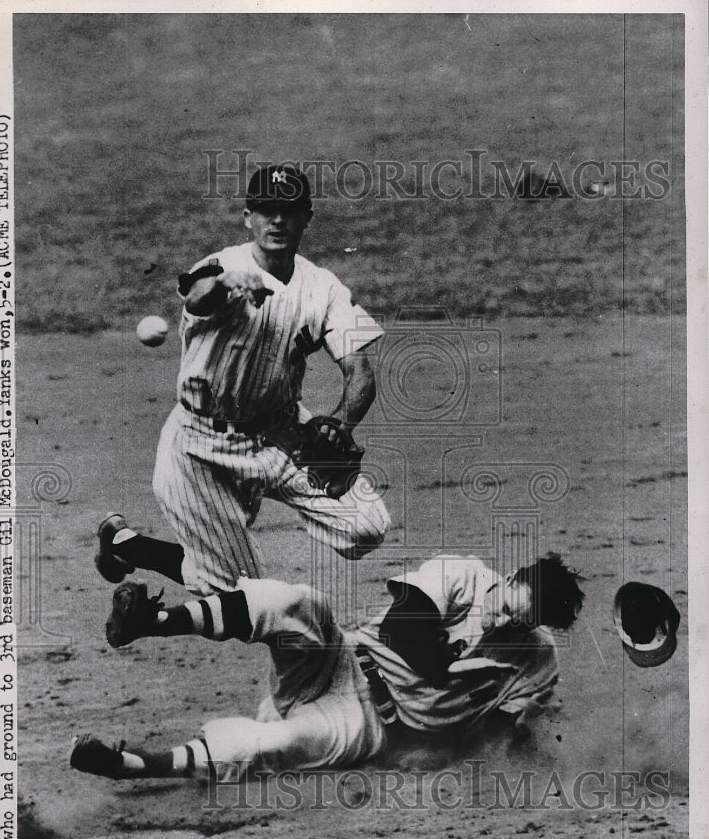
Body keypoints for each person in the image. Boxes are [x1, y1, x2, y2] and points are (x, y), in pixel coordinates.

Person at [95, 163, 390, 596]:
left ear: (307, 217)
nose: (277, 220)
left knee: (366, 526)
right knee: (239, 593)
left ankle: (185, 547)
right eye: (266, 210)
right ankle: (128, 545)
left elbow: (359, 368)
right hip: (200, 446)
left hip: (281, 434)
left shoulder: (323, 287)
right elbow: (197, 297)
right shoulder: (221, 267)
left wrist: (341, 421)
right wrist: (225, 283)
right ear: (247, 217)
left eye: (288, 210)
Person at [70, 552, 584, 784]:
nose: (511, 619)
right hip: (342, 662)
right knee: (300, 601)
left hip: (366, 728)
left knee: (271, 745)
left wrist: (443, 757)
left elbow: (499, 737)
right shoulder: (460, 574)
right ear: (515, 574)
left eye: (527, 620)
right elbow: (401, 630)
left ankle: (128, 766)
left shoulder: (536, 659)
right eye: (515, 602)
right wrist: (450, 668)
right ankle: (154, 620)